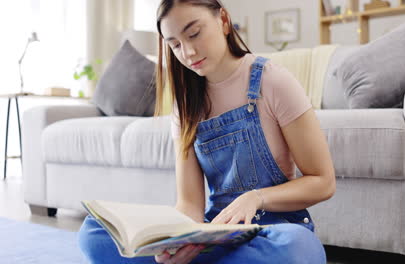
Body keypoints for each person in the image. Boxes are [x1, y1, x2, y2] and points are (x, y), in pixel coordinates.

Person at [78, 0, 336, 263]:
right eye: (175, 44)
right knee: (94, 232)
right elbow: (190, 205)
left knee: (298, 248)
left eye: (194, 34)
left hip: (273, 232)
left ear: (223, 21)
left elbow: (323, 181)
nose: (188, 52)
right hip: (214, 235)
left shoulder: (273, 80)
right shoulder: (187, 106)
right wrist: (177, 244)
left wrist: (256, 198)